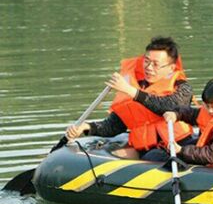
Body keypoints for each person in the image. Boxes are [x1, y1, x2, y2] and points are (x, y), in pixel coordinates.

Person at [65, 36, 194, 159]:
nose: (149, 68)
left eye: (155, 64)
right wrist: (86, 127)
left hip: (178, 147)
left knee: (153, 156)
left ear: (171, 68)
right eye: (146, 61)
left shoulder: (182, 87)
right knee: (125, 155)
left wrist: (131, 91)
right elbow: (114, 125)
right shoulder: (136, 86)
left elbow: (170, 106)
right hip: (147, 149)